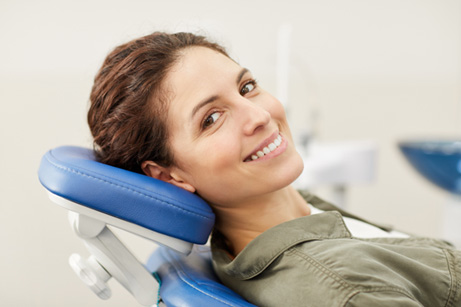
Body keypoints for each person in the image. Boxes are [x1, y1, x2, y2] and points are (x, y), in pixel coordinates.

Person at [87, 32, 461, 306]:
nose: (260, 115)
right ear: (169, 176)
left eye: (247, 87)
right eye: (212, 118)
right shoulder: (346, 290)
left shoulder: (293, 215)